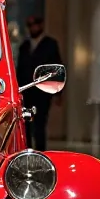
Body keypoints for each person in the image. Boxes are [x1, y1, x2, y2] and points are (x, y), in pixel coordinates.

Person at [15, 16, 63, 151]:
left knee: (40, 123)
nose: (32, 28)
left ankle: (41, 152)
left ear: (41, 25)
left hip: (44, 91)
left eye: (35, 24)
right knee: (26, 124)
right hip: (27, 89)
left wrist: (58, 93)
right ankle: (27, 150)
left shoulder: (50, 44)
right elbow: (20, 68)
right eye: (29, 25)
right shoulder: (24, 46)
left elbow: (57, 68)